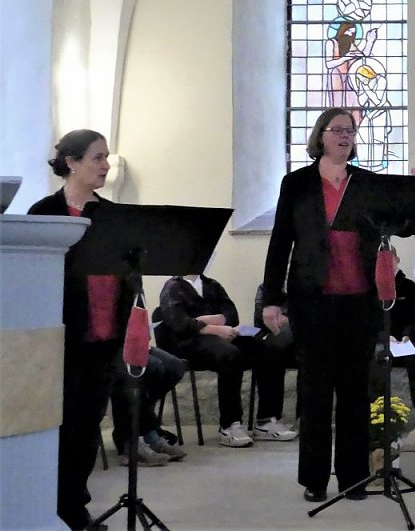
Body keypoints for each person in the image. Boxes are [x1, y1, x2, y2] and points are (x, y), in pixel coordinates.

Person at [262, 107, 382, 503]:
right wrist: (272, 299)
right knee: (315, 393)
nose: (345, 136)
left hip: (359, 300)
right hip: (312, 300)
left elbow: (381, 234)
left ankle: (353, 478)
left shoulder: (366, 183)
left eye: (350, 131)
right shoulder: (296, 183)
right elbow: (280, 242)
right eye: (337, 130)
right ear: (321, 136)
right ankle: (314, 479)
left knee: (354, 393)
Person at [28, 129, 136, 530]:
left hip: (105, 334)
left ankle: (75, 507)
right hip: (61, 338)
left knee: (88, 428)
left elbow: (128, 276)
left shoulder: (112, 215)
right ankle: (49, 508)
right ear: (71, 162)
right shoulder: (43, 213)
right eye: (97, 157)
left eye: (107, 157)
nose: (106, 165)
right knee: (59, 427)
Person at [155, 273, 297, 447]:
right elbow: (178, 323)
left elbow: (231, 313)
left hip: (221, 336)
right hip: (189, 343)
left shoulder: (212, 285)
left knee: (268, 350)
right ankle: (230, 424)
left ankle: (266, 420)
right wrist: (212, 327)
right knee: (230, 355)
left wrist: (204, 321)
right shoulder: (172, 287)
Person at [370, 248, 415, 422]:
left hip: (403, 340)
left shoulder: (408, 287)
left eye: (390, 260)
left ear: (397, 259)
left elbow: (414, 318)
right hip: (382, 340)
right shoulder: (372, 287)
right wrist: (384, 337)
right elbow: (371, 321)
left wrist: (407, 336)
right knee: (376, 358)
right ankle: (377, 412)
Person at [109, 346, 188, 466]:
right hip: (102, 347)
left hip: (128, 341)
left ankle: (149, 432)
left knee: (174, 367)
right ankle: (129, 441)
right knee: (133, 371)